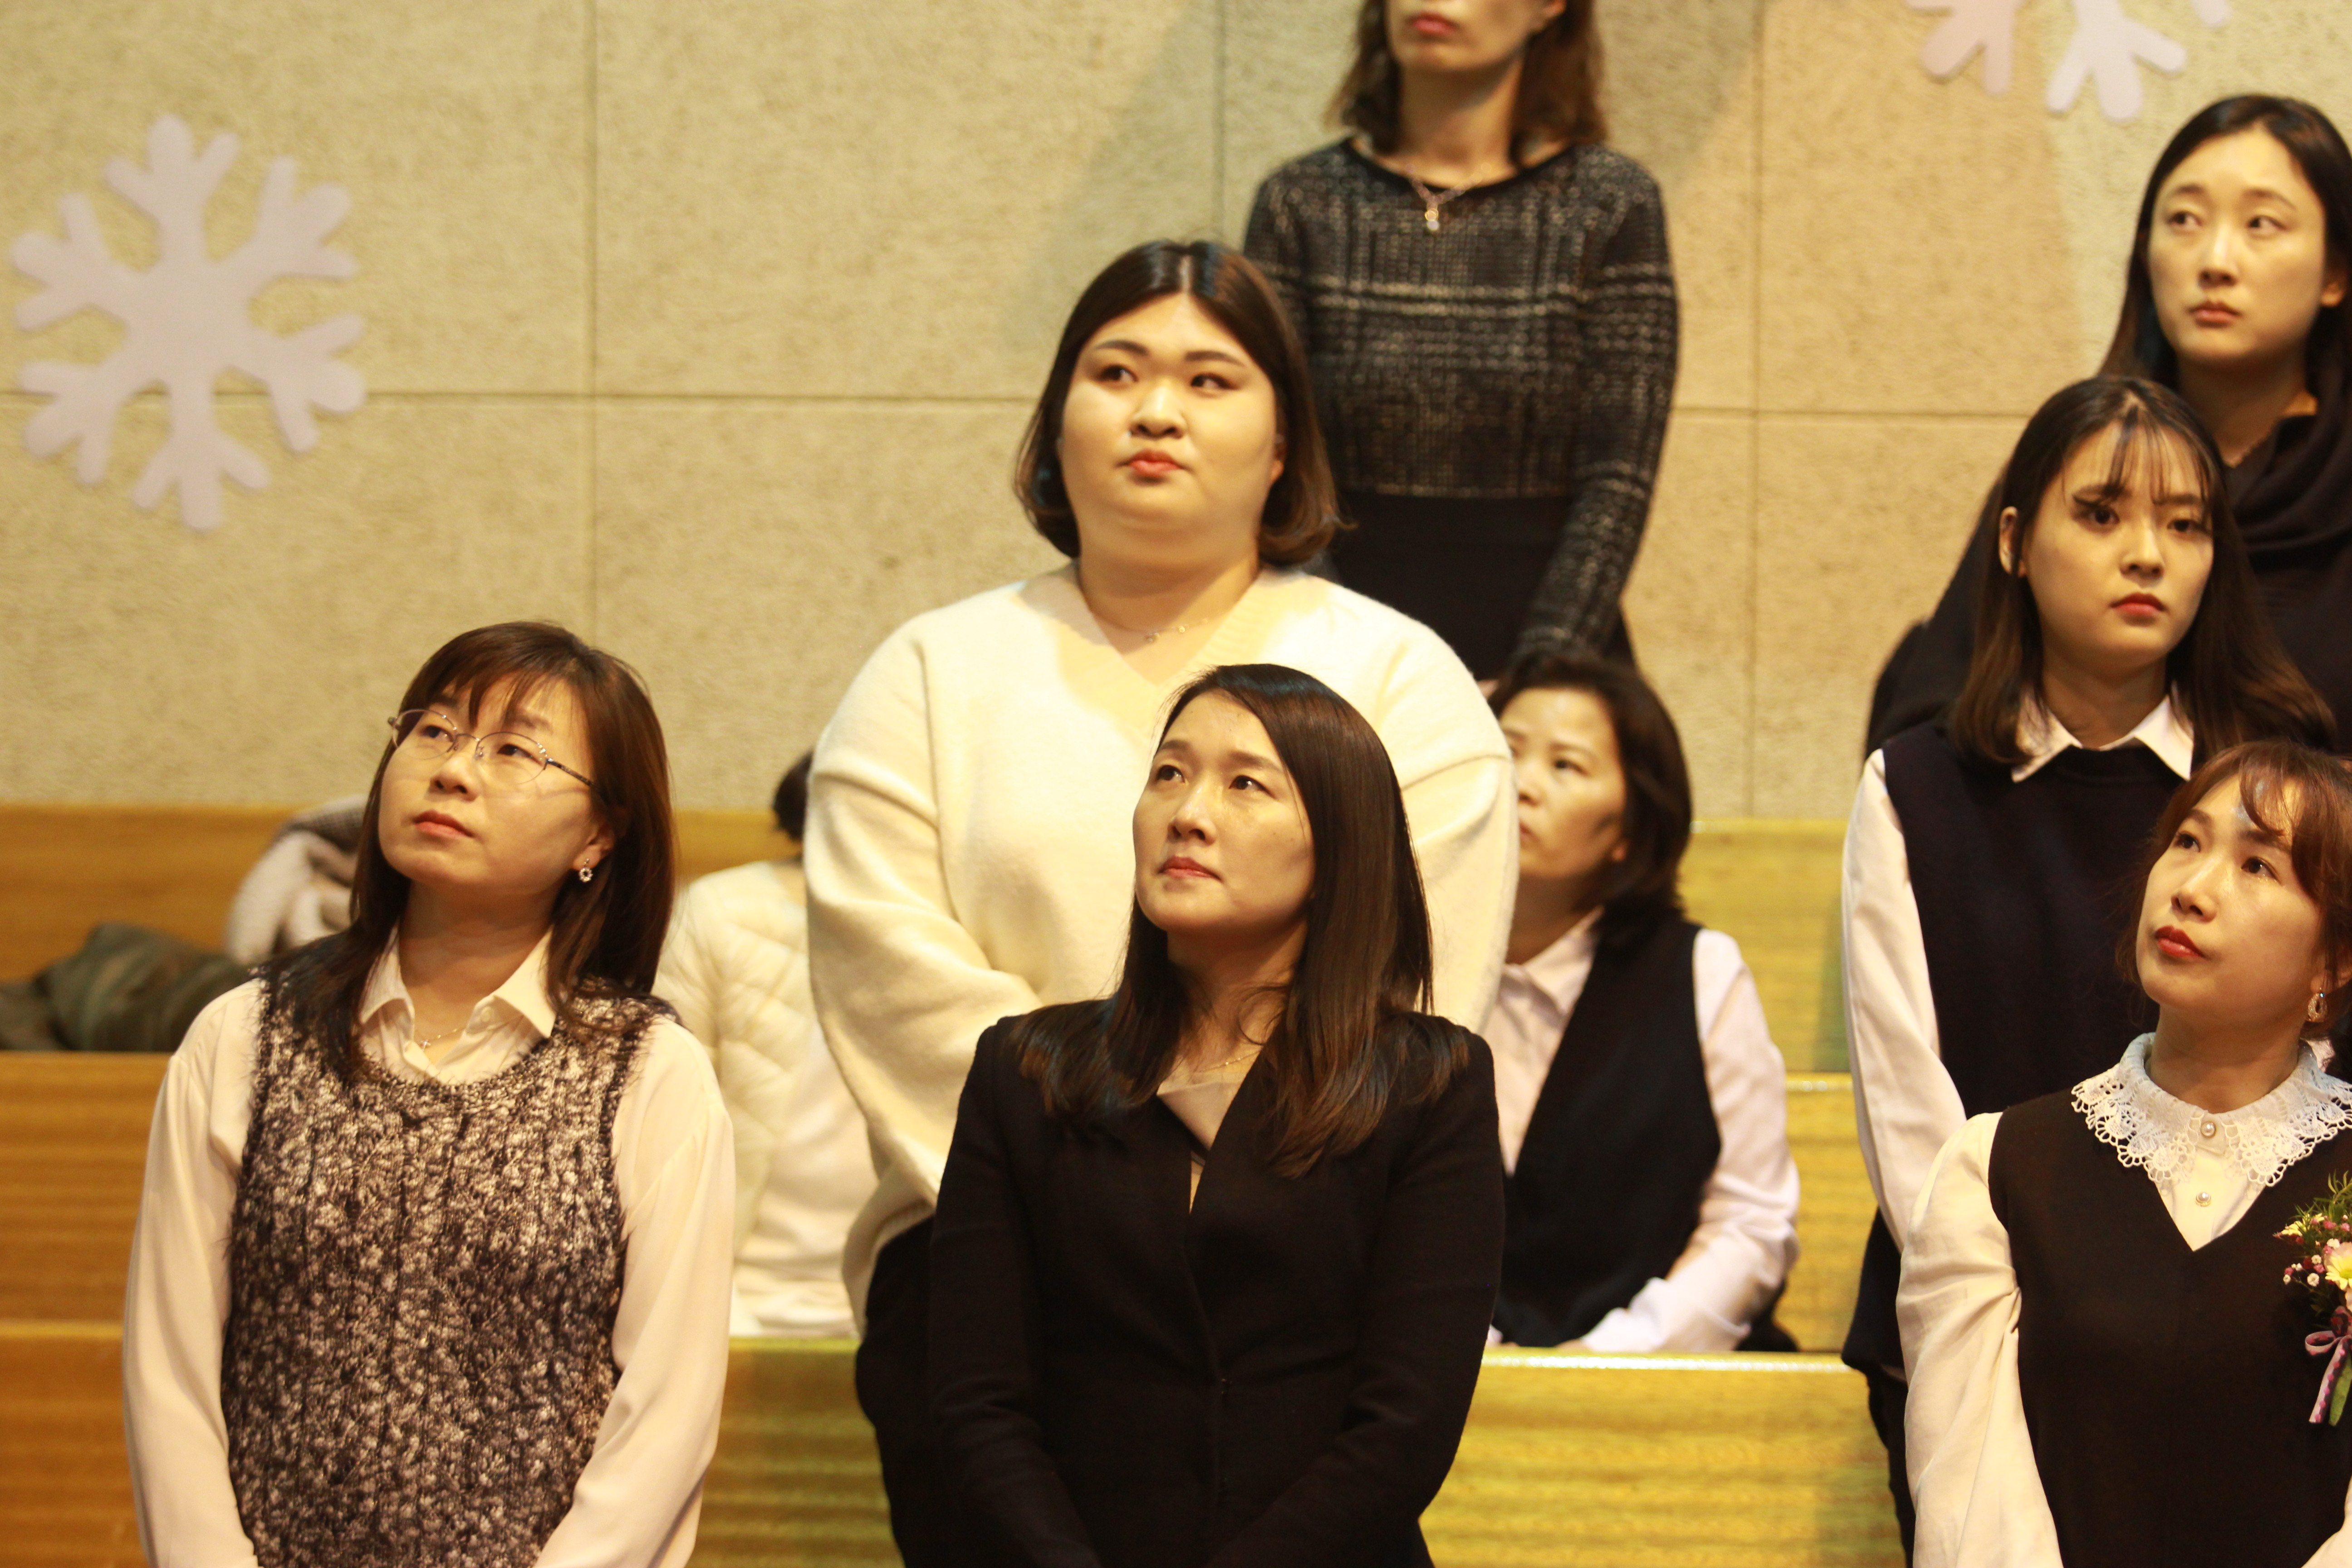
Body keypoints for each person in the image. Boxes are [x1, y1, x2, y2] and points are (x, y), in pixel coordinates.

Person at [804, 239, 1517, 1565]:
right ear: (1055, 420)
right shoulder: (928, 672)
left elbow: (1410, 993)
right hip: (988, 1287)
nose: (1156, 411)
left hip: (1300, 1283)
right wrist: (1111, 1196)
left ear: (1286, 444)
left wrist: (1223, 1197)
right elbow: (888, 978)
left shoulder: (1401, 679)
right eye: (1116, 372)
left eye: (1210, 378)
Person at [1841, 377, 2336, 1553]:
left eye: (2186, 524)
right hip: (1979, 1318)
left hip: (2253, 1333)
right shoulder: (1919, 784)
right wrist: (2012, 1297)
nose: (2147, 555)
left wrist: (2192, 1315)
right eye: (2103, 514)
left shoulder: (2279, 788)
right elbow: (1905, 1101)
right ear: (2016, 541)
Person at [122, 622, 735, 1568]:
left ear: (599, 833)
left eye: (515, 751)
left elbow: (668, 1410)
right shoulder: (244, 1035)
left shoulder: (651, 1071)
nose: (453, 772)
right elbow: (169, 1371)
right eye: (436, 732)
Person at [929, 663, 1504, 1568]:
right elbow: (978, 1401)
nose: (1188, 813)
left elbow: (1406, 1426)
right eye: (1169, 773)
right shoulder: (1028, 1070)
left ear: (1339, 842)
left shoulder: (1427, 1084)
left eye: (1245, 784)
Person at [1902, 740, 2352, 1568]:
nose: (2192, 889)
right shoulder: (1996, 1167)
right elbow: (1970, 1501)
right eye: (2187, 841)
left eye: (2257, 866)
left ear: (2336, 958)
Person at [1872, 95, 2352, 752]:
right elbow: (1938, 716)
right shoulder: (2073, 458)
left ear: (2336, 272)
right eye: (2183, 220)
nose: (2215, 261)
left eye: (2261, 224)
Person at [1243, 0, 1676, 678]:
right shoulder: (1302, 201)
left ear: (1549, 7)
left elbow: (1619, 479)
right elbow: (1269, 453)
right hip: (1331, 637)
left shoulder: (1609, 204)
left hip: (1543, 648)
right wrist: (1343, 659)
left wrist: (1538, 673)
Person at [1485, 652, 1798, 1351]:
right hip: (1447, 1385)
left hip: (1665, 1376)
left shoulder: (1698, 971)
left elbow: (1750, 1220)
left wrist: (1614, 1361)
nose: (1520, 784)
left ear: (1630, 828)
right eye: (1505, 751)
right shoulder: (1412, 973)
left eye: (1565, 766)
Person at [658, 752, 875, 1337]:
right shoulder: (722, 913)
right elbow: (661, 1130)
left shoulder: (967, 922)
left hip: (911, 1300)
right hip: (725, 1295)